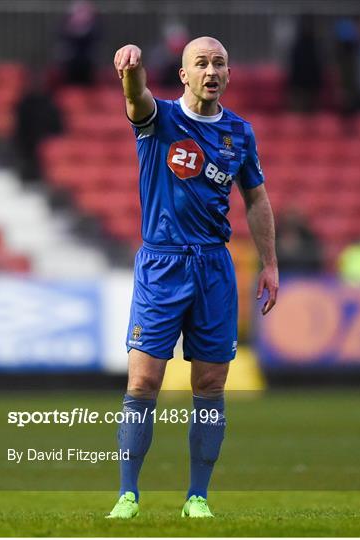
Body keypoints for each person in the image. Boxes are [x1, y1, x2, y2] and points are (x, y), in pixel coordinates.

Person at [106, 37, 278, 520]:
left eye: (219, 63)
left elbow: (257, 200)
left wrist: (269, 262)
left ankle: (197, 497)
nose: (211, 70)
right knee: (143, 381)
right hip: (162, 265)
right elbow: (135, 98)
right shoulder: (159, 120)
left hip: (213, 267)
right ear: (183, 74)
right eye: (200, 63)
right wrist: (130, 68)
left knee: (210, 383)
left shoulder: (240, 134)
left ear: (228, 73)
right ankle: (128, 494)